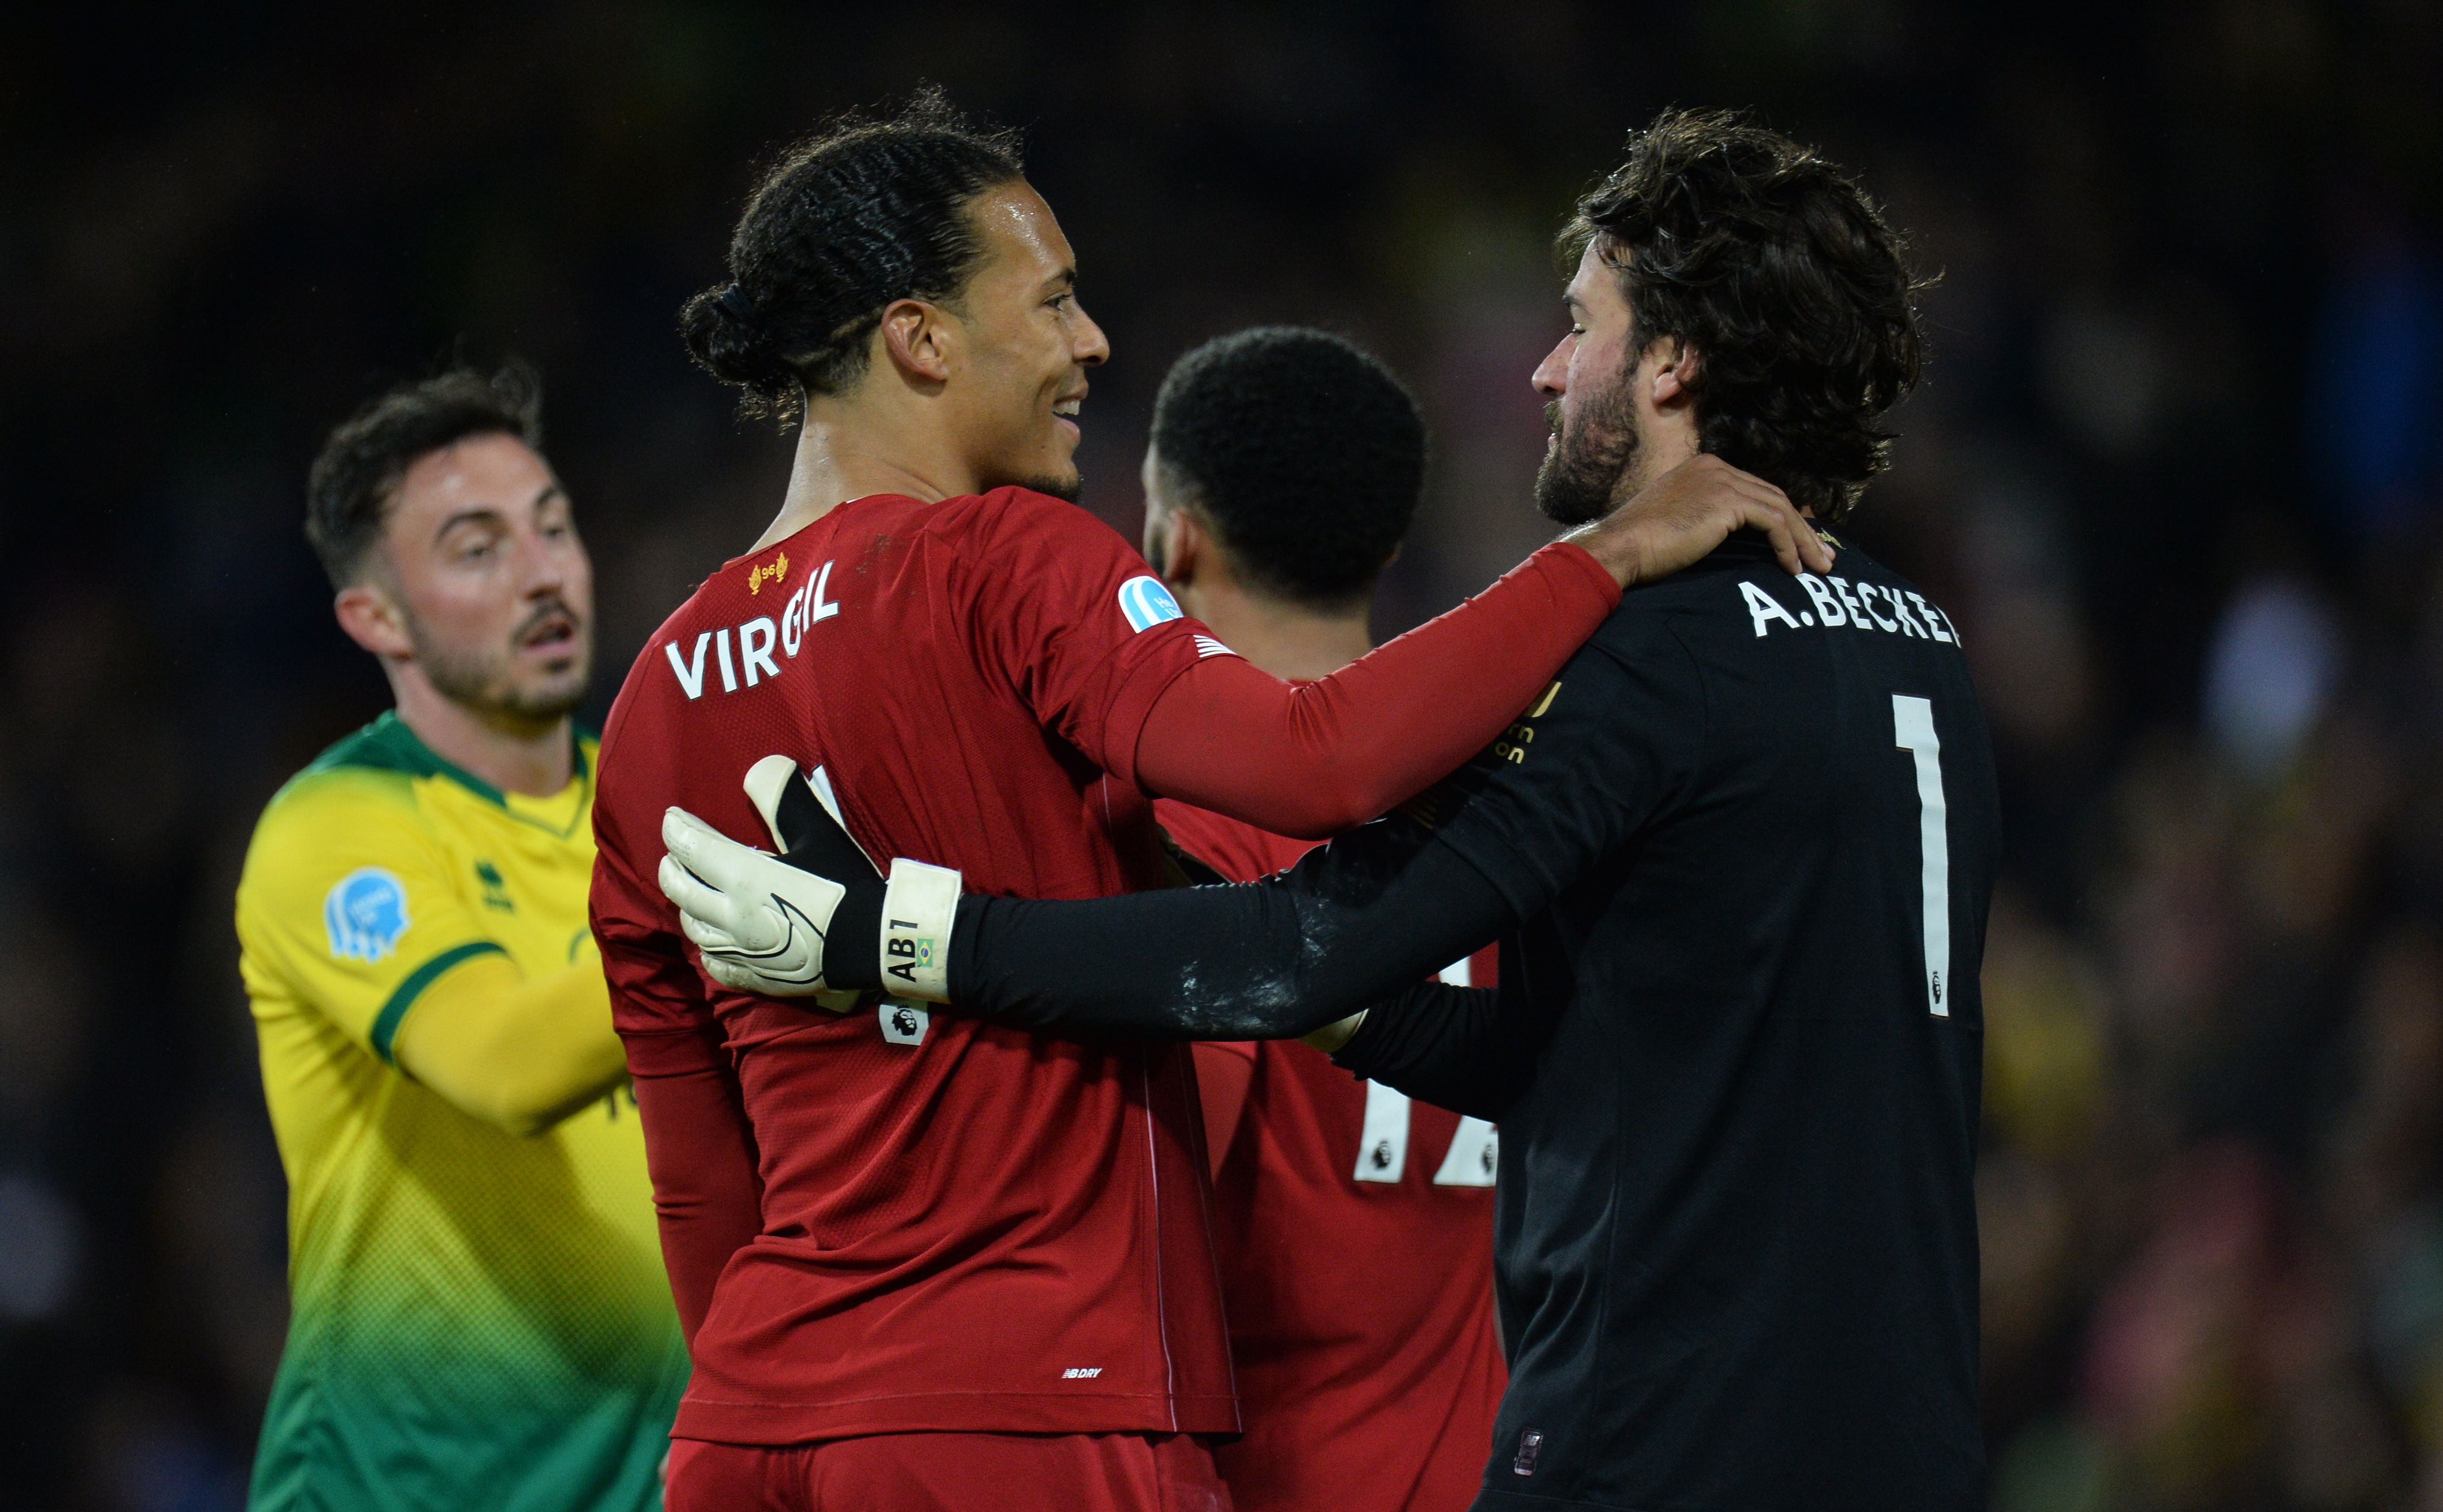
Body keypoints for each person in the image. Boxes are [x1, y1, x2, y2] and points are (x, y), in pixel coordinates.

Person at [662, 110, 1993, 1511]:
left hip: (1666, 1434)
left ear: (1671, 363)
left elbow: (1297, 940)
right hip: (1909, 1437)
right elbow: (1582, 1055)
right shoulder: (1923, 645)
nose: (1544, 369)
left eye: (1580, 325)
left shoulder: (1652, 655)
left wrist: (894, 934)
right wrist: (1289, 966)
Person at [235, 366, 687, 1511]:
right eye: (478, 548)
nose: (545, 573)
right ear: (375, 617)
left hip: (653, 1481)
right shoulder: (336, 826)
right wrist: (742, 916)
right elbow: (507, 1062)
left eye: (554, 528)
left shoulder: (656, 814)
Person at [1139, 325, 1505, 1512]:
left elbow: (1152, 1221)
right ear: (1387, 542)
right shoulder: (1510, 813)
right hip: (1489, 1471)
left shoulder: (1189, 829)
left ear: (1173, 538)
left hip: (1262, 1481)